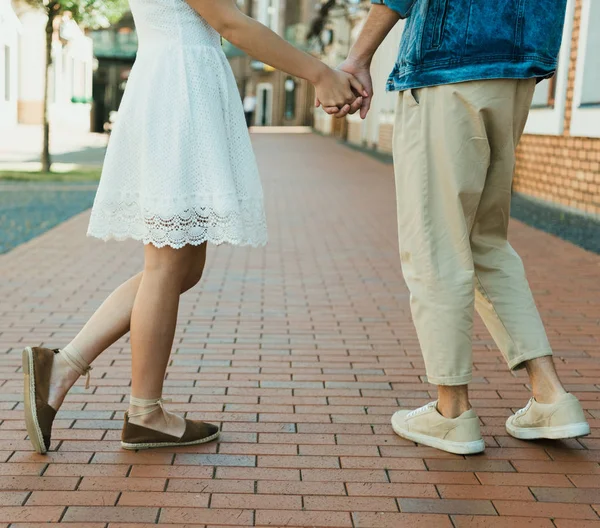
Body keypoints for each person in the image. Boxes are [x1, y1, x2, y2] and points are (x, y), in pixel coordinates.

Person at [22, 0, 367, 454]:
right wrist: (319, 73)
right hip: (179, 91)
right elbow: (227, 20)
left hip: (175, 84)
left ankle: (63, 366)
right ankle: (144, 412)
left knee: (183, 265)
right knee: (168, 264)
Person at [319, 0, 590, 454]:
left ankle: (451, 412)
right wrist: (535, 55)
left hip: (446, 67)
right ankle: (551, 397)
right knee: (486, 242)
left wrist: (357, 57)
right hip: (516, 69)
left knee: (435, 243)